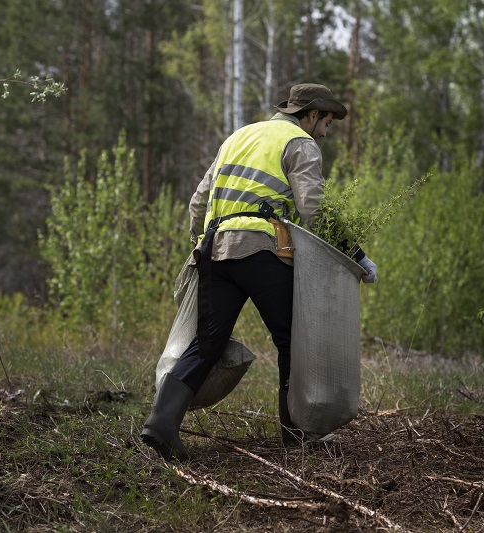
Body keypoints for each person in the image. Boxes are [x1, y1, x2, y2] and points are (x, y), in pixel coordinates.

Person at [140, 83, 377, 460]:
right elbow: (313, 208)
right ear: (312, 115)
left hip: (215, 250)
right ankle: (297, 434)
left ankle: (161, 423)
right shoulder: (299, 143)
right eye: (328, 120)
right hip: (262, 251)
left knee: (207, 342)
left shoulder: (238, 137)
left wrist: (199, 240)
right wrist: (356, 255)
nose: (328, 130)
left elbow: (198, 201)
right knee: (294, 340)